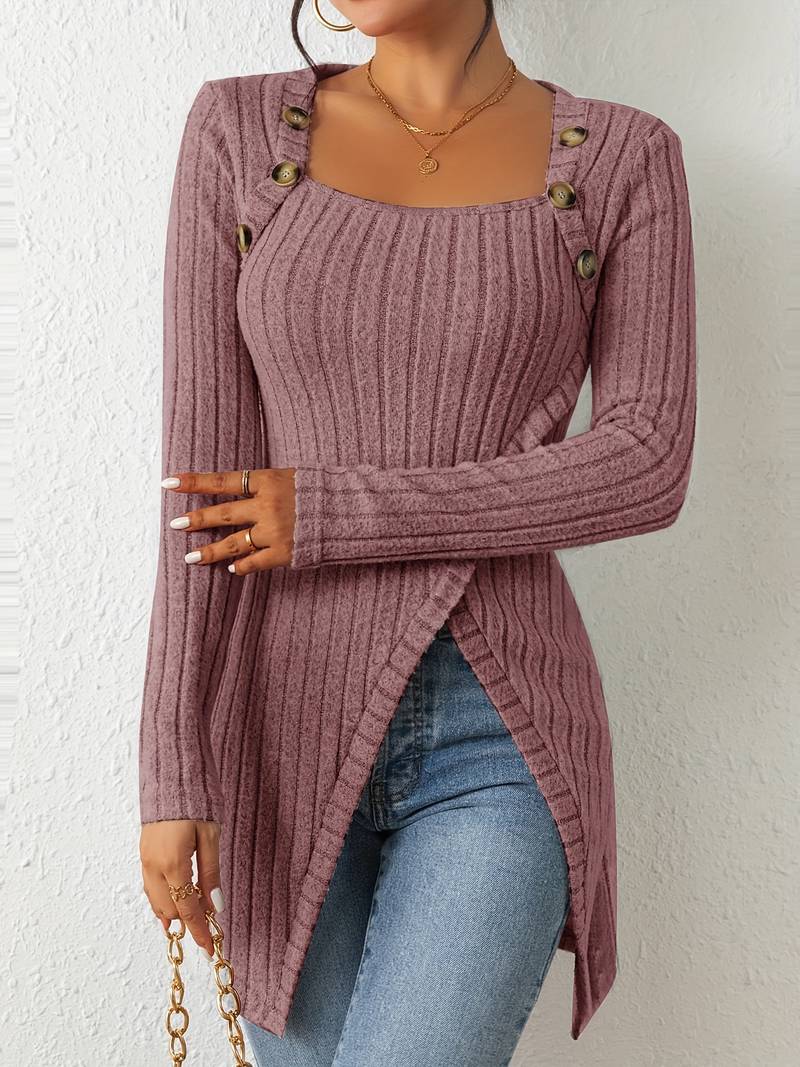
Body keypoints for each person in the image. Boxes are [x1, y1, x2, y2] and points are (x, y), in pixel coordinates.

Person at [137, 1, 697, 1063]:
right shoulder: (237, 133)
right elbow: (201, 488)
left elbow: (646, 460)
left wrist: (334, 511)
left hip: (502, 729)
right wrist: (172, 765)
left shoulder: (621, 160)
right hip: (275, 731)